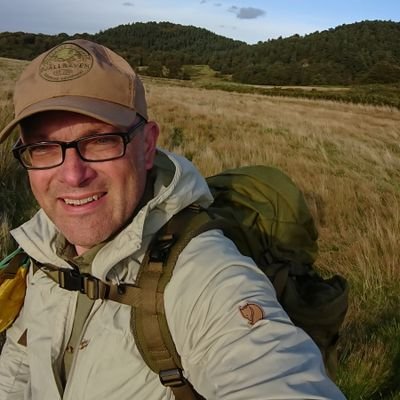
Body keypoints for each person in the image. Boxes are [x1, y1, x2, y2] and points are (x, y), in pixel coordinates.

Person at [0, 39, 346, 400]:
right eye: (42, 147)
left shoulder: (203, 274)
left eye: (100, 141)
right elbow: (19, 365)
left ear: (147, 146)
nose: (72, 175)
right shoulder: (42, 251)